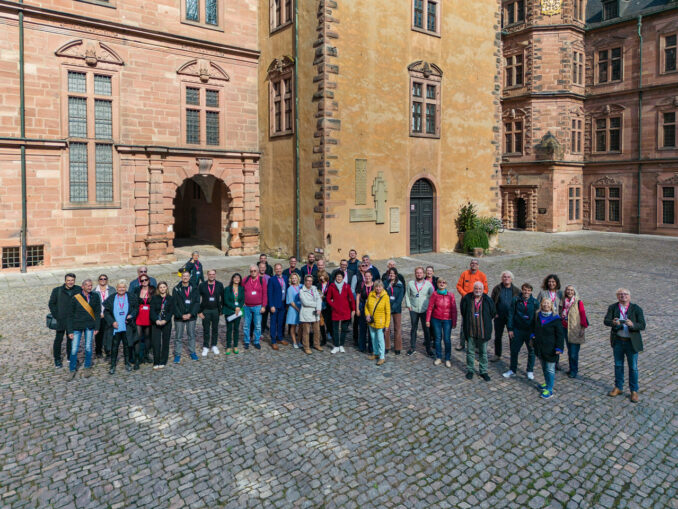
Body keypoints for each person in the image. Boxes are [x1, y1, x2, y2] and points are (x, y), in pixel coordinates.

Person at [604, 288, 646, 403]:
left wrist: (633, 324)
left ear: (629, 296)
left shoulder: (636, 308)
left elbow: (642, 325)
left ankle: (634, 391)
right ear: (617, 297)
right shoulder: (613, 307)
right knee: (618, 365)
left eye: (625, 294)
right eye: (620, 294)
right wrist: (613, 323)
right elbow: (606, 321)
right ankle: (618, 387)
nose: (623, 296)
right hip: (618, 341)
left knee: (633, 367)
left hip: (631, 342)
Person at [460, 281, 495, 381]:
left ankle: (483, 371)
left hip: (483, 332)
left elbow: (493, 313)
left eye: (480, 289)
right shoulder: (467, 298)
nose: (478, 291)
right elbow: (463, 311)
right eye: (476, 289)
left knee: (483, 353)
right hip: (470, 330)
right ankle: (470, 370)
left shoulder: (488, 300)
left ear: (483, 290)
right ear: (473, 289)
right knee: (470, 351)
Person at [66, 278, 101, 378]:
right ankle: (72, 369)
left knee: (88, 347)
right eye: (88, 285)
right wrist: (70, 330)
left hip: (89, 326)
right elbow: (70, 315)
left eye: (91, 285)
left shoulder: (95, 296)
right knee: (74, 349)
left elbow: (97, 313)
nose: (90, 287)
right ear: (83, 287)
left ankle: (87, 367)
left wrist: (97, 327)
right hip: (77, 326)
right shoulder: (75, 298)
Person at [503, 283, 538, 380]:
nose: (526, 292)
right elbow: (511, 314)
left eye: (528, 290)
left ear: (531, 291)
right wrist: (510, 328)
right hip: (517, 330)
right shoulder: (516, 300)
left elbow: (537, 318)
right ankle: (512, 369)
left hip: (530, 331)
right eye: (524, 290)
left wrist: (536, 332)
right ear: (522, 290)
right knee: (514, 351)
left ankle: (529, 370)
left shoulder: (535, 302)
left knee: (531, 351)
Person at [532, 298, 565, 399]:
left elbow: (560, 335)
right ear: (541, 305)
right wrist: (532, 335)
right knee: (544, 367)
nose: (546, 305)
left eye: (548, 303)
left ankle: (550, 389)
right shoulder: (538, 316)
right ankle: (546, 384)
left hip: (551, 348)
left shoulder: (555, 318)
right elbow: (534, 327)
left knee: (550, 369)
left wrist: (559, 348)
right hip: (540, 347)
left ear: (551, 306)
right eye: (544, 303)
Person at [103, 280, 138, 374]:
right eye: (119, 287)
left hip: (126, 326)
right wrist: (112, 321)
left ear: (125, 288)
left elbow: (136, 308)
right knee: (114, 347)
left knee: (127, 346)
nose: (121, 289)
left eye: (123, 287)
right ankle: (113, 365)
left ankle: (127, 363)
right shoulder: (112, 298)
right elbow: (106, 312)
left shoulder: (131, 297)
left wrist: (131, 316)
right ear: (117, 288)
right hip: (116, 327)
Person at [456, 259, 488, 351]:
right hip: (466, 302)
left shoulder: (482, 275)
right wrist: (465, 295)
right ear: (470, 264)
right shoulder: (464, 274)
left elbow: (485, 290)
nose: (474, 265)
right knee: (464, 323)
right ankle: (462, 343)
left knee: (477, 323)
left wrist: (478, 296)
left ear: (478, 265)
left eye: (476, 264)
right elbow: (458, 286)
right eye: (472, 263)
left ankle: (477, 346)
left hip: (477, 303)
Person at [48, 273, 80, 368]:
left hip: (72, 320)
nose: (70, 282)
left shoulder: (78, 290)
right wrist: (57, 315)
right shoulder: (57, 290)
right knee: (58, 339)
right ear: (65, 281)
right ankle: (57, 359)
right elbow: (51, 304)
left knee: (71, 339)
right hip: (61, 320)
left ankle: (70, 356)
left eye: (72, 280)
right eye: (68, 280)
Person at [426, 278, 457, 367]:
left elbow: (454, 310)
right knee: (437, 339)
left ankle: (447, 358)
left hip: (448, 320)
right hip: (436, 319)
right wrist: (428, 320)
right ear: (437, 284)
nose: (442, 284)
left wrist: (454, 321)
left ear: (446, 284)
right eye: (440, 282)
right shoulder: (434, 294)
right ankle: (438, 357)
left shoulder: (451, 295)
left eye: (444, 282)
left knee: (447, 339)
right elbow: (430, 308)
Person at [490, 271, 520, 362]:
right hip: (499, 316)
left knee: (512, 337)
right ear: (501, 278)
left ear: (511, 279)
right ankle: (497, 354)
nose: (506, 278)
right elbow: (492, 302)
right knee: (498, 336)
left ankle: (513, 356)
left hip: (511, 317)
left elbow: (519, 304)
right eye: (504, 277)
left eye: (508, 277)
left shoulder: (516, 290)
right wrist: (494, 313)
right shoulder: (497, 289)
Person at [405, 266, 434, 357]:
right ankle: (412, 347)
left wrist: (430, 308)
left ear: (423, 274)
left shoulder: (428, 285)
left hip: (424, 310)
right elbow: (407, 295)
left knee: (426, 330)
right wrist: (409, 305)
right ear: (415, 274)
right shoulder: (410, 284)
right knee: (414, 328)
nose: (419, 274)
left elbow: (433, 297)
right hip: (413, 309)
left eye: (420, 273)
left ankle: (428, 349)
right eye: (417, 273)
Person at [560, 285, 588, 378]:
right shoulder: (563, 301)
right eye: (568, 290)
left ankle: (574, 371)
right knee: (569, 351)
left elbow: (583, 315)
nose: (569, 292)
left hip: (575, 329)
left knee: (573, 352)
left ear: (574, 292)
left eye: (571, 290)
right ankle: (571, 368)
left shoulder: (578, 302)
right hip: (565, 328)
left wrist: (583, 328)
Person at [537, 274, 564, 370]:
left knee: (557, 340)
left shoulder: (560, 293)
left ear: (556, 283)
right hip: (546, 320)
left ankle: (556, 361)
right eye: (549, 282)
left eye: (553, 282)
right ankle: (545, 358)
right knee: (549, 341)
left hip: (556, 320)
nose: (551, 283)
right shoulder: (543, 293)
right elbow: (538, 305)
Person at [172, 270, 200, 363]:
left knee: (191, 335)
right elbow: (174, 304)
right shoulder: (176, 289)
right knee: (178, 336)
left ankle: (192, 352)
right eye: (184, 276)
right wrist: (181, 315)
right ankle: (177, 354)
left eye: (187, 276)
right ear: (181, 277)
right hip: (179, 318)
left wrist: (190, 314)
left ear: (189, 277)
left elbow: (197, 302)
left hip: (191, 316)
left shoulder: (194, 288)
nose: (185, 277)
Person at [326, 271, 355, 354]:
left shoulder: (347, 286)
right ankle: (336, 345)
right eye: (337, 277)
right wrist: (333, 304)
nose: (339, 278)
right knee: (335, 329)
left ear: (343, 278)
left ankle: (341, 345)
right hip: (335, 311)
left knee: (344, 329)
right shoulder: (332, 286)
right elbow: (328, 298)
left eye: (340, 277)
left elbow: (351, 298)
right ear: (335, 277)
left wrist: (353, 309)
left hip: (345, 310)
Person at [365, 280, 391, 366]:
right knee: (373, 338)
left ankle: (382, 357)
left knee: (380, 339)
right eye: (376, 286)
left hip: (380, 322)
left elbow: (388, 312)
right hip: (371, 321)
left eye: (380, 286)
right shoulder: (371, 294)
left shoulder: (385, 297)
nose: (378, 288)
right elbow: (366, 306)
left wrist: (387, 325)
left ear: (382, 287)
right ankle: (375, 353)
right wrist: (367, 314)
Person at [198, 269, 224, 357]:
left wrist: (221, 310)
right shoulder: (202, 285)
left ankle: (214, 345)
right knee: (206, 329)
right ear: (207, 275)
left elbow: (223, 298)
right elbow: (197, 299)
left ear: (215, 275)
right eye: (210, 274)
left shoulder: (219, 285)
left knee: (215, 329)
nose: (212, 276)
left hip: (215, 310)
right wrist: (199, 311)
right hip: (205, 310)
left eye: (213, 274)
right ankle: (205, 346)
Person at [242, 265, 267, 350]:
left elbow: (265, 293)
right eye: (251, 271)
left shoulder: (261, 280)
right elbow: (240, 290)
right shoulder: (245, 279)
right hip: (247, 307)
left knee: (257, 325)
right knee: (246, 325)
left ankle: (256, 341)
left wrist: (263, 306)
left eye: (254, 271)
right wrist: (242, 302)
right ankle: (246, 341)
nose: (253, 272)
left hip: (258, 306)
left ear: (258, 271)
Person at [132, 272, 155, 367]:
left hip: (148, 316)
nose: (144, 282)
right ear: (140, 282)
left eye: (146, 280)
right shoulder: (137, 290)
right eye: (142, 280)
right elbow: (133, 301)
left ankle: (147, 354)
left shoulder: (153, 290)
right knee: (137, 337)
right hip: (139, 316)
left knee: (147, 337)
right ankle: (137, 358)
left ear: (148, 281)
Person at [150, 281, 173, 369]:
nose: (162, 289)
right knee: (156, 342)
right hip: (156, 322)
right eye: (160, 287)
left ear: (166, 287)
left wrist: (165, 320)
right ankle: (156, 361)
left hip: (166, 323)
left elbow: (171, 311)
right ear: (158, 289)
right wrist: (156, 320)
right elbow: (151, 311)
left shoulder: (170, 298)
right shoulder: (154, 298)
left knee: (165, 342)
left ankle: (163, 360)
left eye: (164, 287)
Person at [299, 275, 323, 354]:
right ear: (305, 281)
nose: (309, 282)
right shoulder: (302, 291)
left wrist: (318, 308)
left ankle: (316, 344)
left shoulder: (314, 288)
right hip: (306, 313)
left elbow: (319, 299)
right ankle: (306, 347)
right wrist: (316, 304)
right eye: (308, 281)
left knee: (317, 330)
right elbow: (305, 303)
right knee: (306, 331)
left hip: (316, 313)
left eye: (310, 281)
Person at [384, 268, 405, 354]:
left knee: (397, 328)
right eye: (390, 273)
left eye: (393, 273)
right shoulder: (385, 284)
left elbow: (400, 298)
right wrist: (387, 307)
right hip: (387, 308)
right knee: (386, 328)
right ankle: (387, 346)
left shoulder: (400, 285)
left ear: (396, 274)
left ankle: (398, 348)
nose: (391, 275)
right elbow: (384, 295)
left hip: (397, 309)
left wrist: (393, 307)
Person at [223, 273, 245, 354]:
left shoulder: (241, 289)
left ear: (240, 280)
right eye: (235, 278)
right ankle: (228, 346)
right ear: (232, 279)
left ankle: (235, 346)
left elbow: (242, 300)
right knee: (229, 329)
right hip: (229, 311)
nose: (236, 279)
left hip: (238, 312)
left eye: (238, 278)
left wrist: (239, 307)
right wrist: (234, 307)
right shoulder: (227, 289)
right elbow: (226, 300)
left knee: (236, 329)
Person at [267, 263, 288, 350]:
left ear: (282, 269)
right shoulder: (272, 280)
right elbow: (270, 293)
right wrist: (271, 305)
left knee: (280, 322)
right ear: (275, 270)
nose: (278, 270)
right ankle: (273, 341)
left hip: (283, 304)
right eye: (277, 269)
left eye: (280, 269)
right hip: (275, 305)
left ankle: (279, 338)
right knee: (273, 323)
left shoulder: (286, 278)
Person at [93, 274, 114, 360]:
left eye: (105, 279)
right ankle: (98, 350)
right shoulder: (95, 291)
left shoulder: (112, 290)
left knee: (108, 334)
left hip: (108, 315)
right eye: (101, 279)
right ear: (98, 280)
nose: (103, 280)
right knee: (98, 334)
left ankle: (108, 351)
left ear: (107, 280)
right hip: (99, 316)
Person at [355, 270, 375, 353]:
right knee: (362, 328)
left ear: (371, 277)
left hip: (372, 310)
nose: (367, 278)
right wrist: (357, 309)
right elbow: (358, 297)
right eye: (366, 276)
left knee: (371, 329)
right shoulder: (361, 284)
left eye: (369, 276)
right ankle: (362, 347)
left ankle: (371, 348)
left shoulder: (375, 286)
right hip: (363, 308)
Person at [285, 273, 302, 348]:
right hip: (293, 308)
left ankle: (299, 340)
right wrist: (298, 309)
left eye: (295, 278)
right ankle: (294, 342)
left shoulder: (301, 286)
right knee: (293, 326)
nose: (294, 279)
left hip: (301, 307)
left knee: (301, 326)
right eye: (292, 278)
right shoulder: (290, 289)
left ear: (298, 279)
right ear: (290, 280)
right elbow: (291, 301)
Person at [317, 271, 332, 346]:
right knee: (321, 323)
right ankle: (324, 339)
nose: (321, 277)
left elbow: (332, 296)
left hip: (328, 306)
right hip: (320, 306)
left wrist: (324, 297)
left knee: (329, 323)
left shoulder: (330, 285)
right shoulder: (318, 285)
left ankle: (332, 336)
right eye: (320, 276)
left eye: (322, 276)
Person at [257, 261, 272, 336]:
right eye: (261, 267)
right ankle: (256, 330)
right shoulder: (255, 276)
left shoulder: (268, 277)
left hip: (265, 300)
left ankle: (262, 331)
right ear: (258, 268)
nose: (262, 269)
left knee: (264, 316)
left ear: (265, 268)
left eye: (263, 267)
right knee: (257, 316)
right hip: (257, 300)